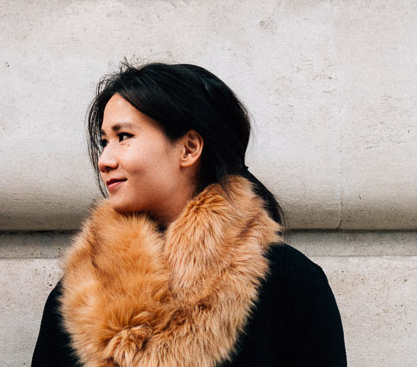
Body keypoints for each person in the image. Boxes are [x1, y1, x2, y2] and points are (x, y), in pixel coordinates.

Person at [31, 62, 346, 367]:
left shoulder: (290, 285)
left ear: (189, 148)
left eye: (123, 136)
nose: (105, 160)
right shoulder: (81, 292)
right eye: (104, 141)